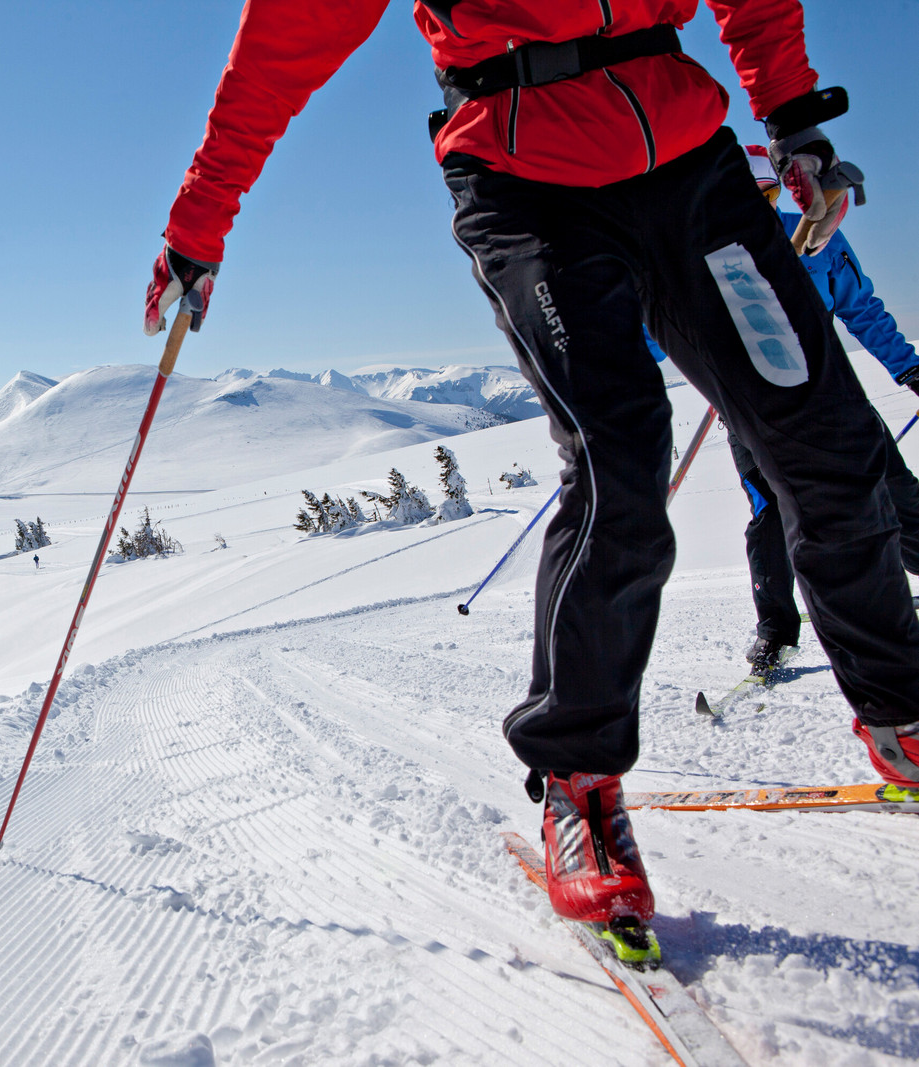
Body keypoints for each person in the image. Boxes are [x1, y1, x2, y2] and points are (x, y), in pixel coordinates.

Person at [144, 1, 919, 937]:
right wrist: (201, 221)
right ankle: (579, 784)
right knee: (617, 460)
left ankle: (900, 713)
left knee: (828, 437)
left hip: (687, 159)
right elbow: (285, 37)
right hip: (524, 179)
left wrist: (792, 115)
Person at [727, 147, 919, 671]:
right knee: (770, 513)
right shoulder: (707, 257)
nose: (760, 206)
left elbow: (861, 307)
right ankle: (776, 631)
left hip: (831, 392)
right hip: (751, 408)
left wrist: (908, 367)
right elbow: (660, 333)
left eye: (767, 195)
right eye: (747, 198)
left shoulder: (817, 239)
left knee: (890, 482)